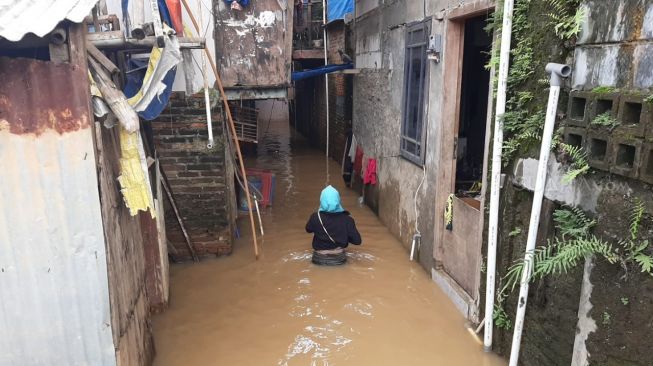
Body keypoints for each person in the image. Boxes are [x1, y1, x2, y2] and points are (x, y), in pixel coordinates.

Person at [306, 185, 362, 265]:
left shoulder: (315, 217)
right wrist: (343, 235)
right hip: (339, 259)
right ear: (338, 200)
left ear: (322, 200)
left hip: (319, 259)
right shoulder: (347, 219)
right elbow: (357, 241)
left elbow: (308, 229)